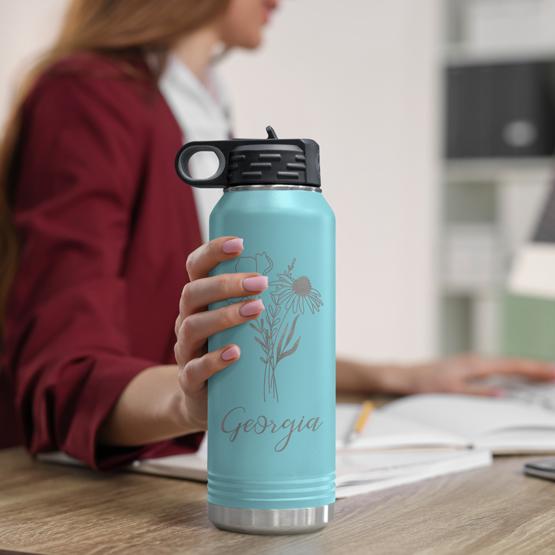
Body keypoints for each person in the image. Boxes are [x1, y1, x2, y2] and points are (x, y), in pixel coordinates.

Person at [1, 0, 554, 467]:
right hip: (74, 501)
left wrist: (395, 375)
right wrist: (193, 404)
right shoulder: (86, 97)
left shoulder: (202, 106)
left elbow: (212, 351)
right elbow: (63, 376)